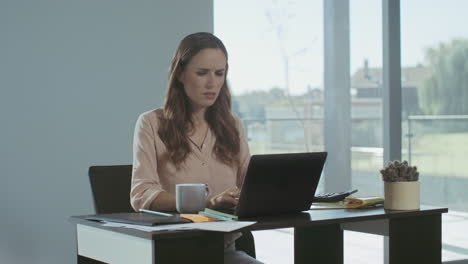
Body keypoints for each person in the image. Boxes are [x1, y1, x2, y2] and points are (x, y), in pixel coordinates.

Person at [130, 32, 263, 264]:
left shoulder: (233, 125)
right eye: (202, 73)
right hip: (170, 252)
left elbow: (249, 186)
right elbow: (141, 195)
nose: (212, 83)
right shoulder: (151, 123)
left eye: (219, 73)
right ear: (180, 74)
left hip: (224, 252)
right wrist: (206, 202)